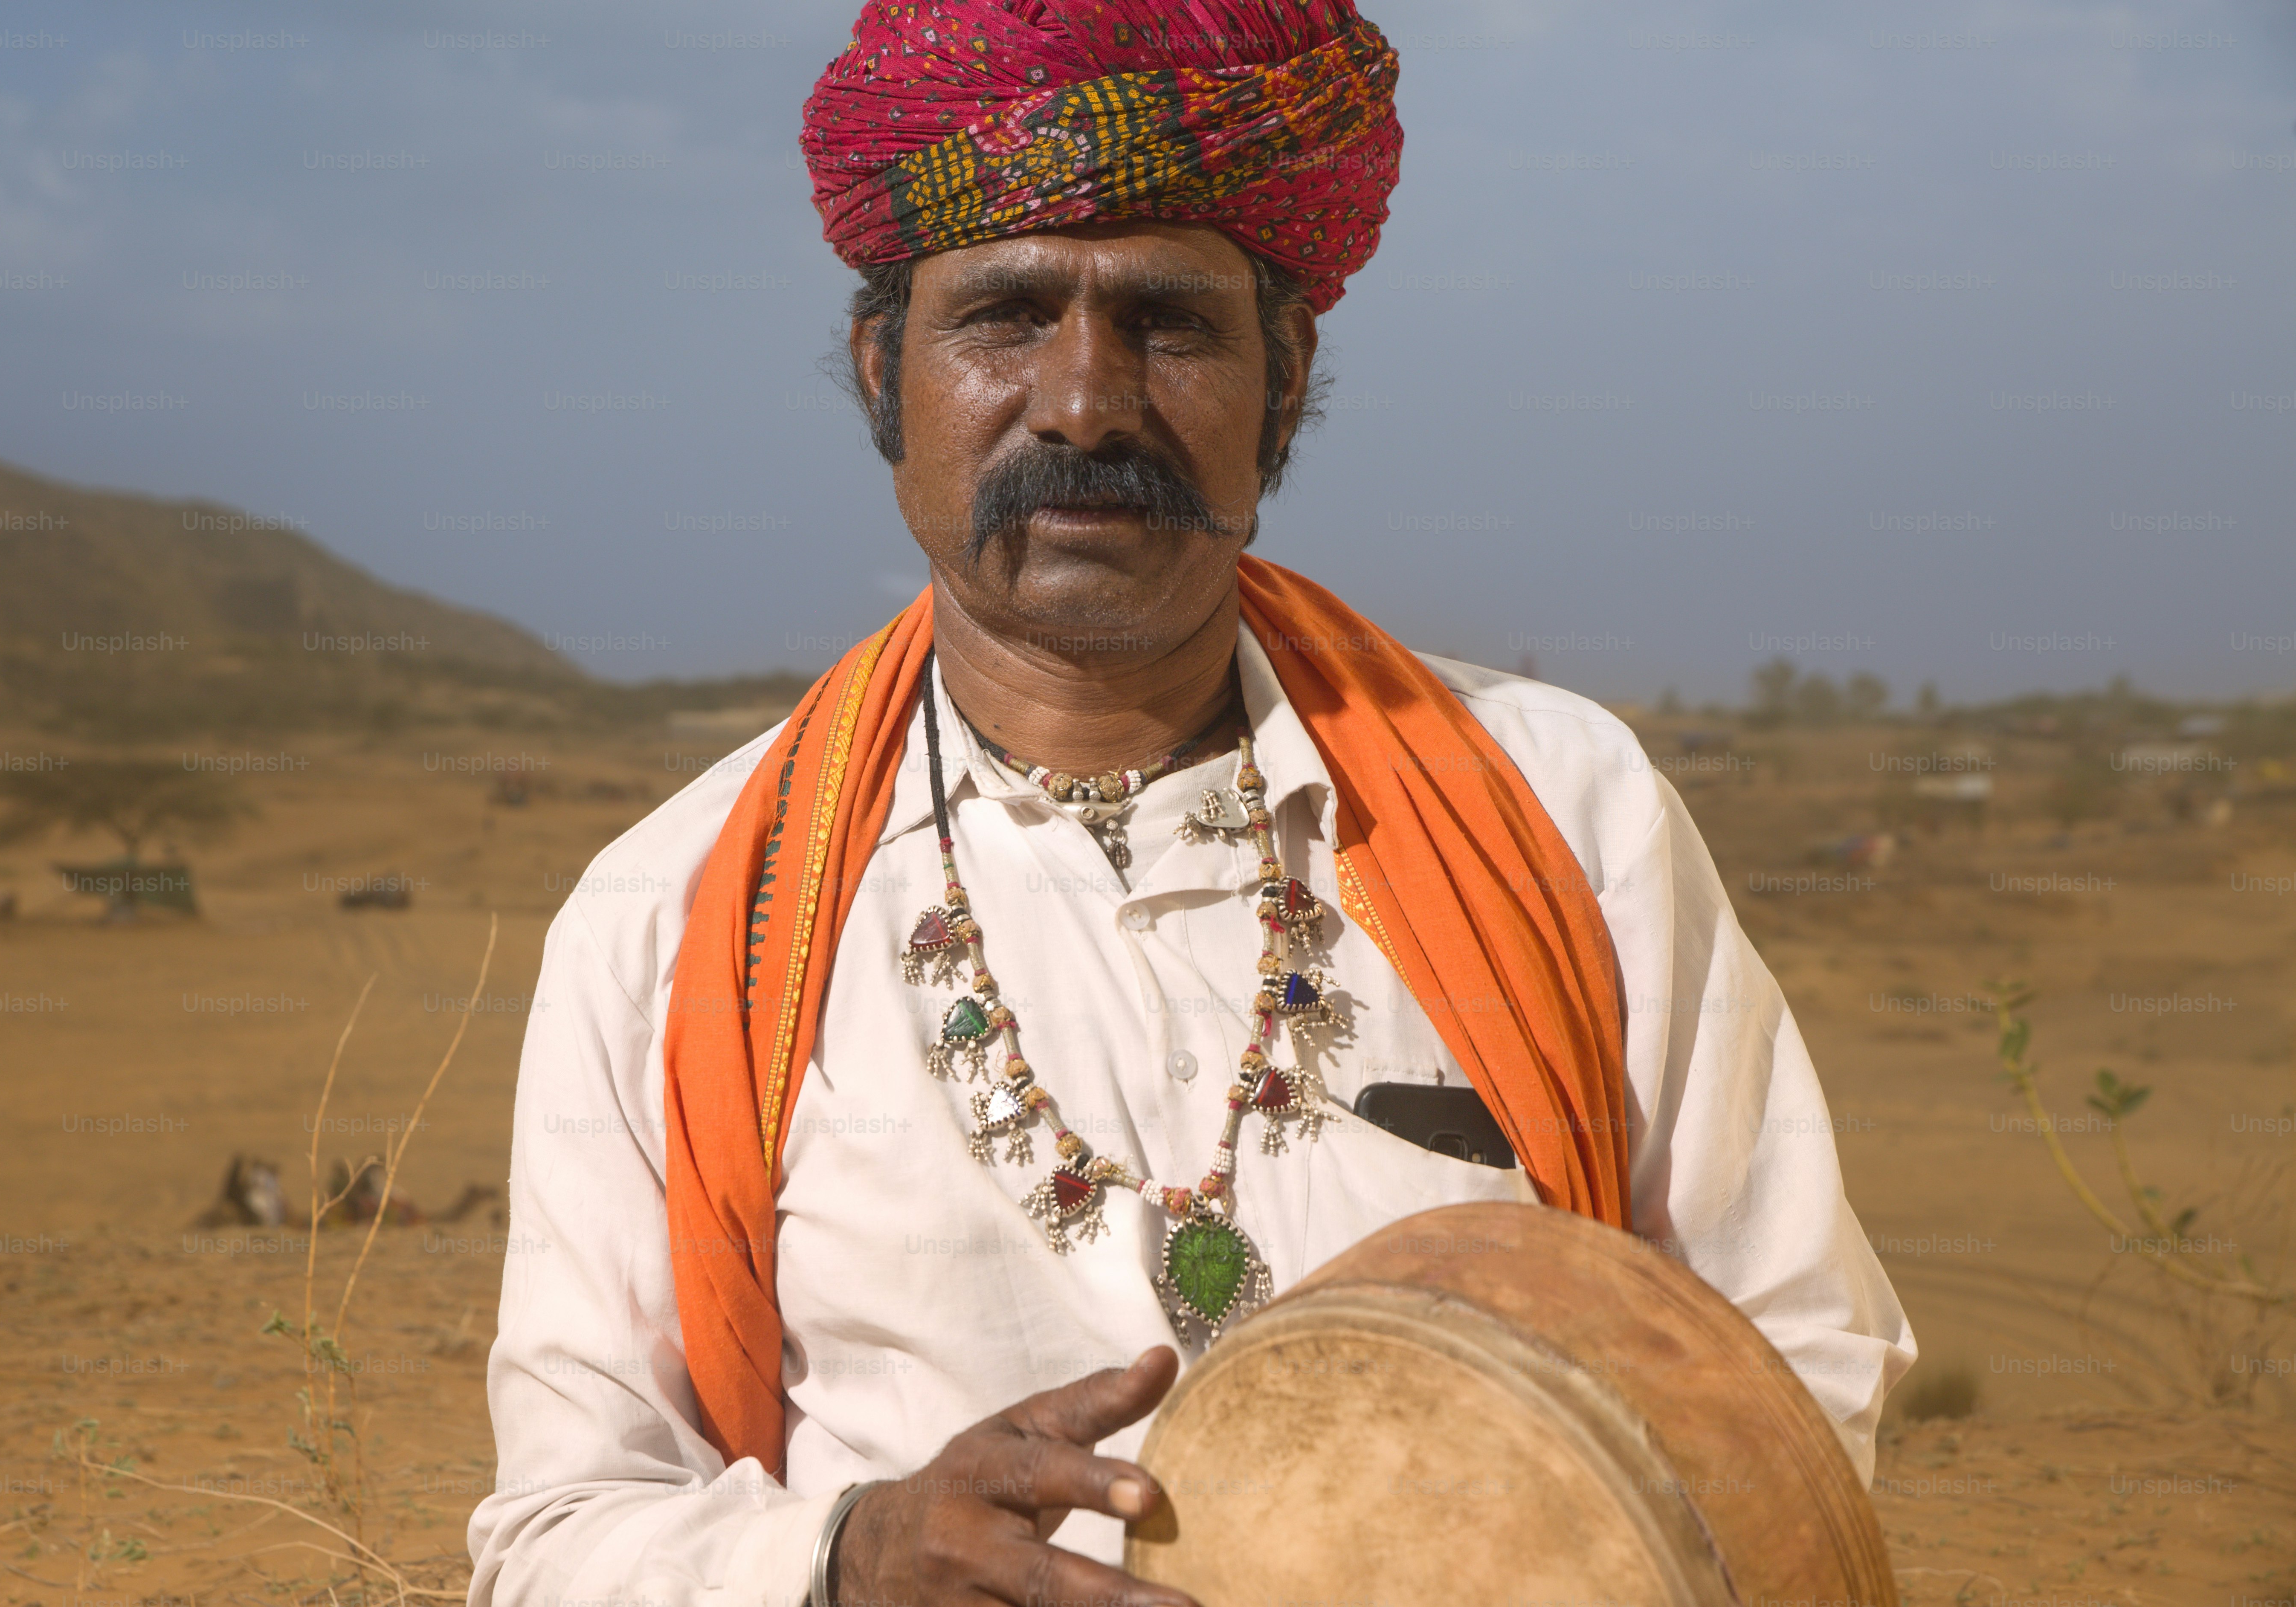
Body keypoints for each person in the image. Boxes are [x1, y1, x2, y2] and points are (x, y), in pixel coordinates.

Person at [469, 3, 1914, 1604]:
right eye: (1005, 318)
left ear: (1283, 382)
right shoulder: (669, 921)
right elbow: (558, 1538)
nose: (1085, 404)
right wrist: (846, 1557)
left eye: (1168, 324)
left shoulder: (1566, 812)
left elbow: (1792, 1371)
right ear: (888, 373)